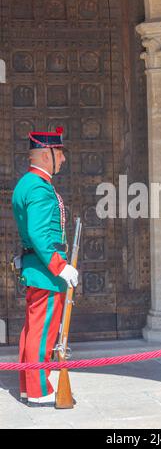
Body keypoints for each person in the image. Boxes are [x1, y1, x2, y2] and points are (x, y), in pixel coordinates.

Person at [12, 127, 78, 408]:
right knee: (42, 332)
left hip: (37, 267)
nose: (62, 159)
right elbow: (39, 234)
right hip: (46, 272)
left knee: (32, 329)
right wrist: (60, 267)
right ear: (44, 154)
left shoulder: (28, 183)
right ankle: (39, 390)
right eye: (59, 153)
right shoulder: (39, 187)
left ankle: (29, 386)